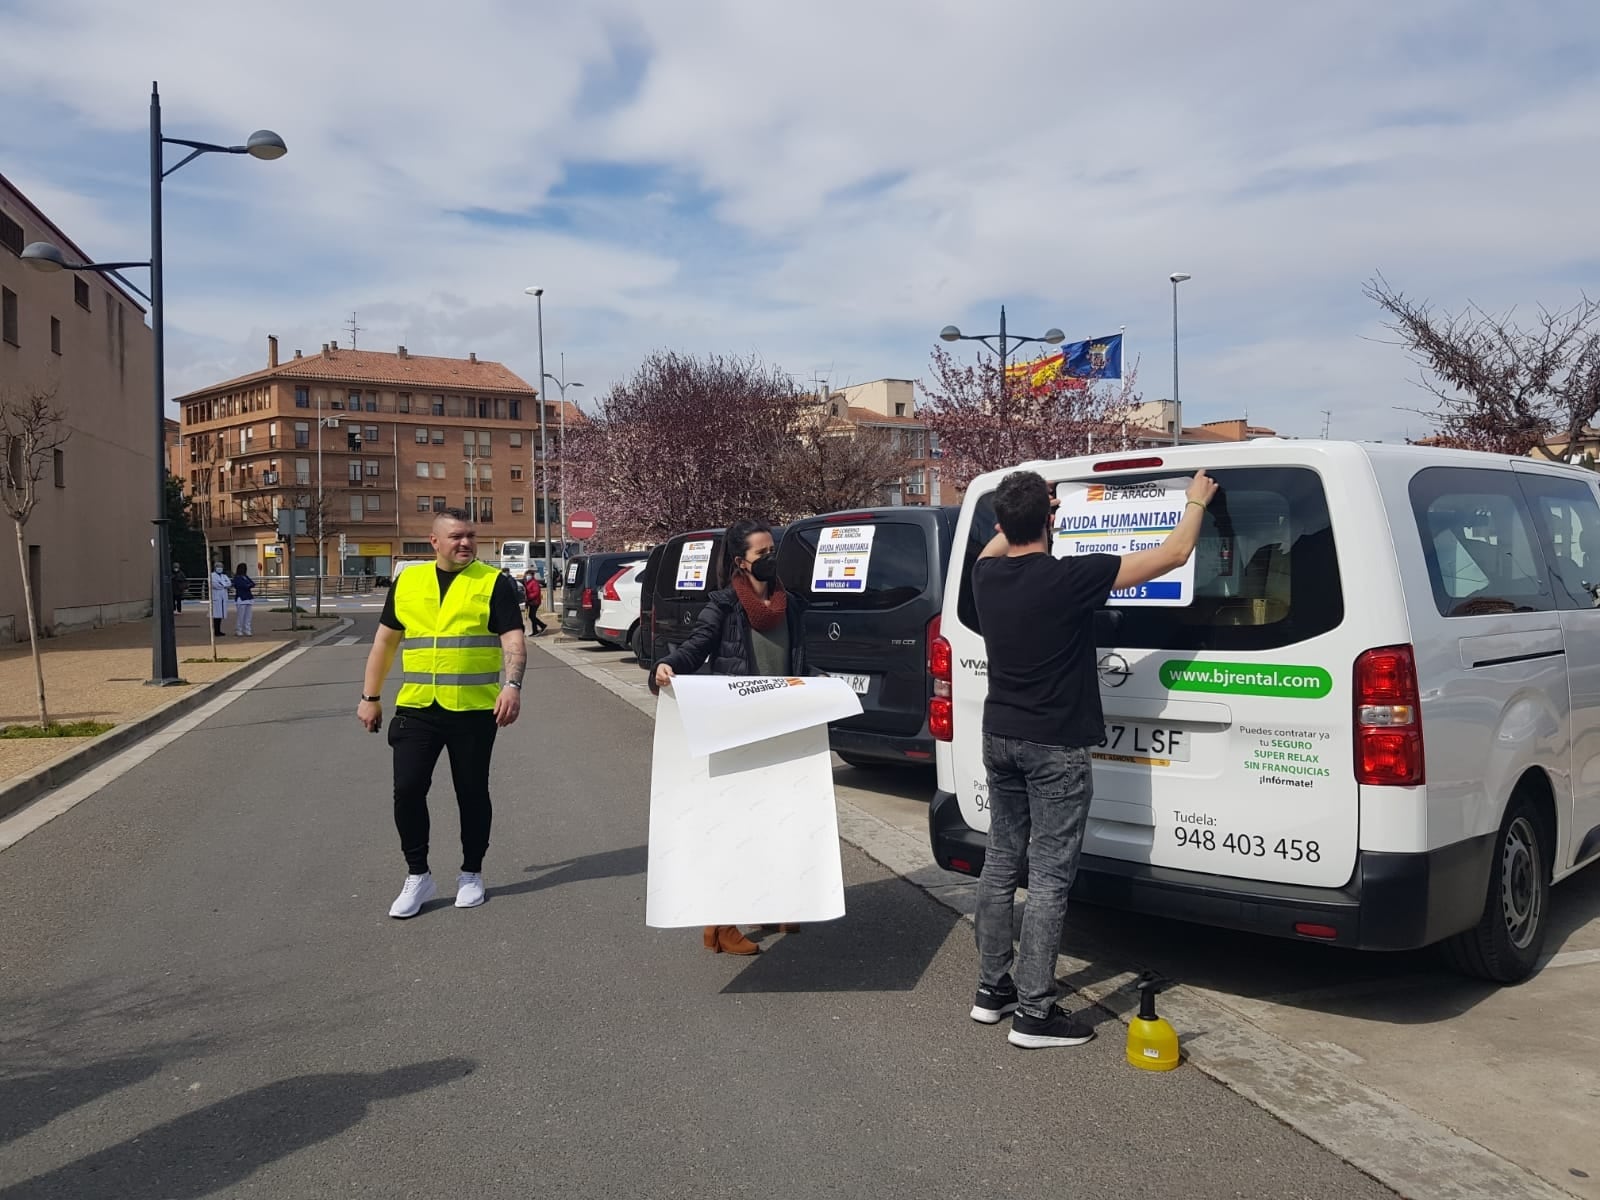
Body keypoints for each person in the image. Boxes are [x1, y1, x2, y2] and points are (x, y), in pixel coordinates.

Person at [968, 468, 1217, 1049]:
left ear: (1003, 523)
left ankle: (992, 990)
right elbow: (1176, 553)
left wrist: (1028, 513)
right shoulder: (1072, 577)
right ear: (1052, 521)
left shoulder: (986, 576)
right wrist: (1196, 501)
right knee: (1051, 878)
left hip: (1000, 737)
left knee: (1003, 861)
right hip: (1055, 745)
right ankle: (1034, 1015)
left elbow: (993, 544)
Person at [357, 509, 527, 918]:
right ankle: (418, 875)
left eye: (470, 535)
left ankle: (471, 873)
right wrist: (370, 696)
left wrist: (513, 685)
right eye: (456, 536)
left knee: (471, 793)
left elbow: (514, 640)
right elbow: (384, 642)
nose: (465, 542)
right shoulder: (408, 581)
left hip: (472, 711)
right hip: (416, 707)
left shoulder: (494, 582)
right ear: (434, 542)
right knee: (408, 790)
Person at [653, 518, 807, 956]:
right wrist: (668, 666)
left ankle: (770, 904)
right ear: (741, 562)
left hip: (780, 727)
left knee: (774, 820)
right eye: (763, 553)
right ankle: (719, 924)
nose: (771, 558)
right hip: (737, 729)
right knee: (734, 827)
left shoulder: (790, 605)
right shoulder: (723, 605)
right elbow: (695, 647)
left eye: (773, 550)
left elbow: (800, 662)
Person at [232, 563, 256, 636]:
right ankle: (238, 630)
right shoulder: (236, 578)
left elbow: (252, 583)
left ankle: (247, 629)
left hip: (248, 597)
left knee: (248, 616)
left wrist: (248, 585)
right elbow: (241, 586)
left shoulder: (246, 577)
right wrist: (248, 585)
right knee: (241, 616)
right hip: (241, 598)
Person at [208, 562, 231, 637]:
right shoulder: (212, 575)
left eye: (221, 567)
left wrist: (223, 585)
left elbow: (229, 583)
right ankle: (215, 631)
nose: (219, 568)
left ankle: (219, 630)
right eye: (218, 566)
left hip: (223, 597)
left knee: (220, 615)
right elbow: (215, 585)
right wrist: (224, 585)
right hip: (216, 597)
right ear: (215, 567)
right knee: (215, 616)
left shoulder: (224, 576)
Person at [523, 569, 546, 636]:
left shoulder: (534, 582)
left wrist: (528, 597)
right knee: (531, 616)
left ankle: (540, 627)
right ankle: (537, 629)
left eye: (529, 575)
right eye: (527, 574)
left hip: (535, 601)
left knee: (532, 616)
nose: (527, 576)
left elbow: (536, 593)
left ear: (532, 575)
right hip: (530, 601)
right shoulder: (527, 582)